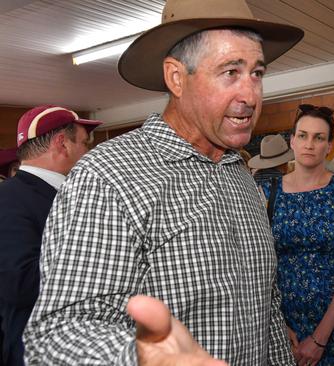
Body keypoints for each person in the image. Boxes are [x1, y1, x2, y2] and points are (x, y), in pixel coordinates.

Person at [23, 0, 304, 365]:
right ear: (176, 77)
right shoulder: (110, 176)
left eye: (257, 74)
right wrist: (143, 357)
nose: (250, 95)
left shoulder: (241, 175)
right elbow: (56, 335)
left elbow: (267, 308)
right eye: (230, 72)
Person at [261, 104, 334, 366]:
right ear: (292, 142)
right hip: (282, 329)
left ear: (329, 145)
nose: (310, 144)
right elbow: (258, 266)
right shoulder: (266, 192)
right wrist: (278, 326)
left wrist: (320, 338)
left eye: (319, 137)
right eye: (303, 135)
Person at [0, 105, 101, 366]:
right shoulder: (8, 199)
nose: (88, 153)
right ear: (62, 144)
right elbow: (19, 284)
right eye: (85, 144)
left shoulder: (72, 196)